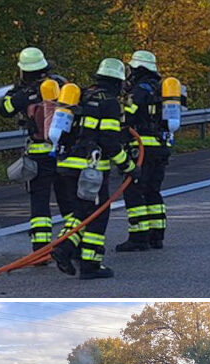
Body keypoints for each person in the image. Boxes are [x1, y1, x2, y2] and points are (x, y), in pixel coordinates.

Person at [51, 58, 138, 279]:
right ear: (117, 82)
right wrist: (128, 166)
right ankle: (89, 264)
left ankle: (64, 247)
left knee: (81, 211)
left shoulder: (82, 94)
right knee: (98, 214)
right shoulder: (109, 103)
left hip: (66, 164)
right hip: (90, 167)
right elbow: (109, 142)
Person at [0, 47, 72, 256]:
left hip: (39, 154)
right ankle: (72, 244)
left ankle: (41, 250)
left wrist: (24, 96)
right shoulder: (60, 83)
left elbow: (5, 109)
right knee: (68, 199)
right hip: (64, 153)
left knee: (40, 202)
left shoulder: (21, 92)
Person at [116, 50, 173, 251]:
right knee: (152, 191)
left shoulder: (139, 90)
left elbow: (127, 116)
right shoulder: (160, 88)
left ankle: (138, 237)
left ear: (138, 69)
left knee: (134, 191)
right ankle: (156, 236)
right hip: (160, 147)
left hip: (141, 149)